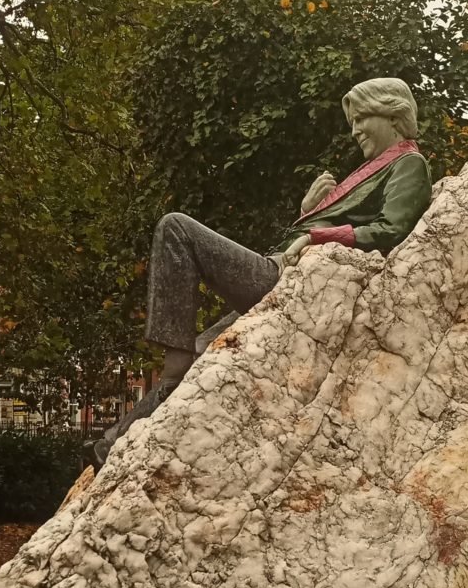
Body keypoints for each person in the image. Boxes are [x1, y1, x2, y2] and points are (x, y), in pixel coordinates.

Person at [94, 77, 431, 467]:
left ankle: (172, 370)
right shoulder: (373, 169)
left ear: (393, 115)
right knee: (201, 354)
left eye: (361, 119)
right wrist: (307, 212)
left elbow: (393, 228)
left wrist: (316, 234)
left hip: (290, 280)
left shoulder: (408, 164)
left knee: (176, 229)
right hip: (289, 275)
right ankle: (111, 446)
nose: (355, 131)